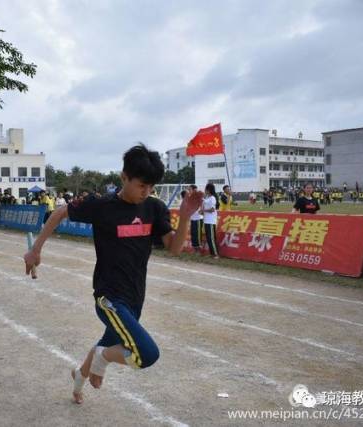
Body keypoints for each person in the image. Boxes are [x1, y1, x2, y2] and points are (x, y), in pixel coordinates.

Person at [24, 144, 204, 404]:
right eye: (142, 185)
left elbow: (174, 249)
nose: (147, 192)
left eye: (151, 186)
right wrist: (36, 250)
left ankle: (79, 377)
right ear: (124, 177)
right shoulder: (102, 205)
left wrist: (185, 217)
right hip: (108, 297)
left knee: (106, 343)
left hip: (135, 298)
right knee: (146, 353)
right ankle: (101, 359)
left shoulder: (154, 208)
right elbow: (60, 212)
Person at [200, 183, 219, 258]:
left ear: (209, 190)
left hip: (211, 221)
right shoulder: (207, 198)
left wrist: (203, 210)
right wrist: (202, 210)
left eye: (206, 189)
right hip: (206, 220)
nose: (205, 191)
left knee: (211, 238)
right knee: (208, 238)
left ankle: (215, 254)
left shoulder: (213, 198)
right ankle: (212, 253)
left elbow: (212, 209)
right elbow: (203, 205)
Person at [186, 186, 203, 254]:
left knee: (197, 234)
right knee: (193, 234)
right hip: (192, 219)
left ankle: (198, 250)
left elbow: (201, 206)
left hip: (198, 218)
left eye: (190, 189)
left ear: (194, 190)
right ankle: (194, 248)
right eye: (188, 189)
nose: (188, 191)